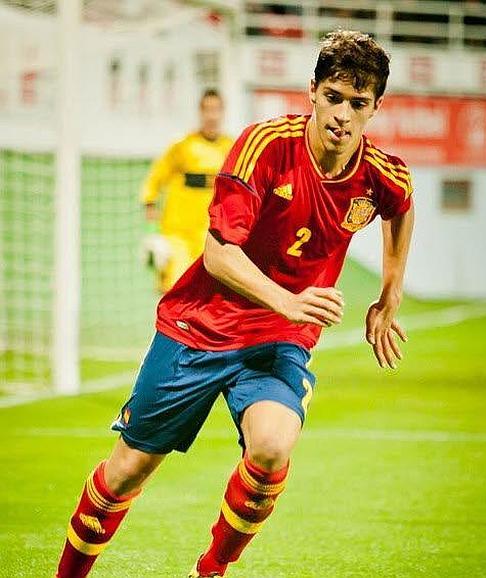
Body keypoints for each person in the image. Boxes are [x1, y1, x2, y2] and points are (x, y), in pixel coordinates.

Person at [55, 30, 414, 578]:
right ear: (312, 92)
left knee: (272, 447)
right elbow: (219, 255)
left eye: (358, 103)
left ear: (375, 107)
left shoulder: (379, 172)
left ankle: (210, 571)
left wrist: (391, 293)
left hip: (277, 338)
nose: (343, 115)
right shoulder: (264, 145)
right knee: (127, 471)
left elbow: (401, 205)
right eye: (334, 97)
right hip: (198, 327)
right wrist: (289, 301)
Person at [142, 88, 233, 293]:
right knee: (175, 288)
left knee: (207, 292)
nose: (212, 116)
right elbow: (156, 176)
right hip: (178, 232)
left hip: (211, 235)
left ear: (223, 112)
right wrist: (150, 206)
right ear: (200, 112)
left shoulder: (231, 148)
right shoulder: (182, 146)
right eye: (207, 110)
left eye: (216, 110)